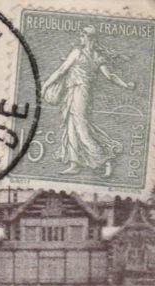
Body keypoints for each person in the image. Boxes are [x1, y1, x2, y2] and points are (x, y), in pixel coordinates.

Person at [41, 25, 135, 177]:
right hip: (76, 92)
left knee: (81, 128)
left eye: (82, 36)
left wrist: (45, 85)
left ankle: (105, 160)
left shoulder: (78, 53)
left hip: (79, 93)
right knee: (71, 125)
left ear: (89, 37)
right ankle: (74, 163)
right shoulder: (97, 56)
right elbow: (110, 76)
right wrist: (126, 85)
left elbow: (61, 71)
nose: (80, 38)